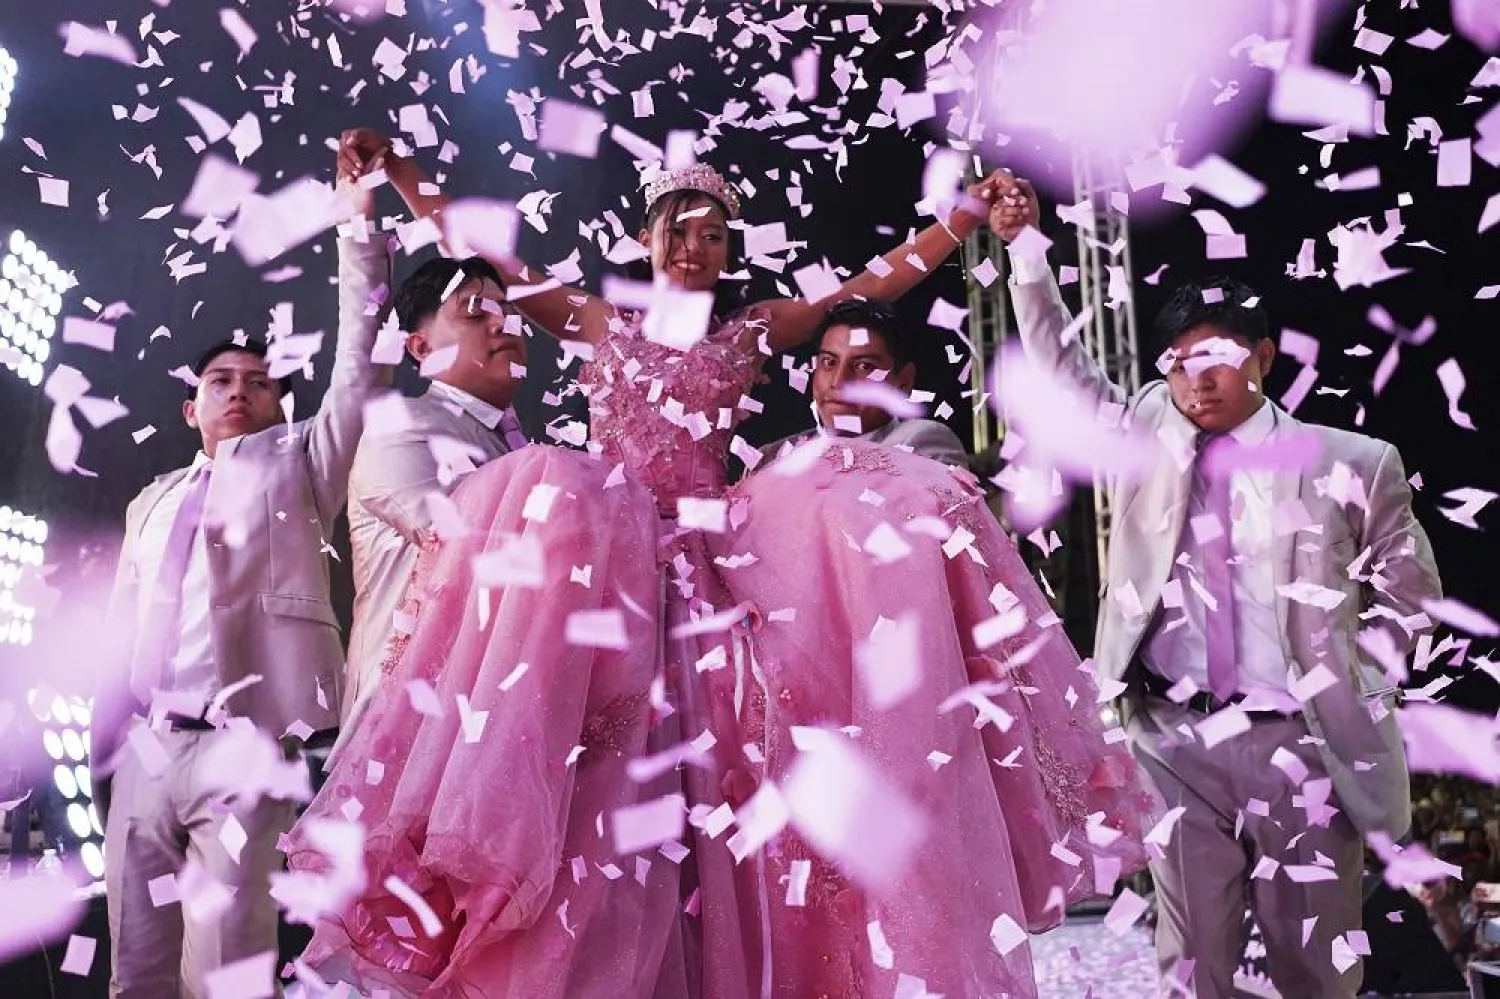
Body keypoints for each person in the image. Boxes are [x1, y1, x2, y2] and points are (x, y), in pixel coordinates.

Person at [298, 135, 1150, 998]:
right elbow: (489, 251)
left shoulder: (755, 327)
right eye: (677, 230)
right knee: (606, 774)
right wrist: (405, 180)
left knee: (733, 773)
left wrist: (962, 219)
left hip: (718, 576)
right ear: (648, 238)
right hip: (612, 575)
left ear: (730, 251)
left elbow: (875, 282)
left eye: (711, 235)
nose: (692, 247)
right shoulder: (601, 323)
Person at [993, 179, 1442, 998]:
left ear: (1263, 359)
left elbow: (1409, 593)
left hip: (1299, 742)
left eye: (1218, 359)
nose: (1197, 381)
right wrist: (1026, 250)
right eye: (1179, 362)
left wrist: (1360, 681)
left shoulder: (1352, 459)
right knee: (1195, 962)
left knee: (1313, 965)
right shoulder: (1145, 429)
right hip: (1174, 738)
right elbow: (1062, 371)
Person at [88, 138, 392, 999]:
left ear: (279, 404)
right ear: (191, 406)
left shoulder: (301, 465)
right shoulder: (148, 502)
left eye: (257, 382)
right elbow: (118, 630)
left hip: (244, 746)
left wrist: (356, 219)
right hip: (147, 750)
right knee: (135, 969)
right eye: (220, 380)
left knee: (226, 971)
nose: (237, 391)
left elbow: (357, 360)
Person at [341, 252, 529, 732]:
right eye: (473, 312)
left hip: (491, 714)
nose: (500, 324)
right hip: (400, 722)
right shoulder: (399, 425)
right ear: (421, 348)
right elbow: (467, 547)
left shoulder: (518, 444)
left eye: (507, 313)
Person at [759, 297, 968, 466]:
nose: (839, 382)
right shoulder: (773, 456)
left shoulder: (922, 441)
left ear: (904, 381)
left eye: (863, 366)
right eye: (829, 362)